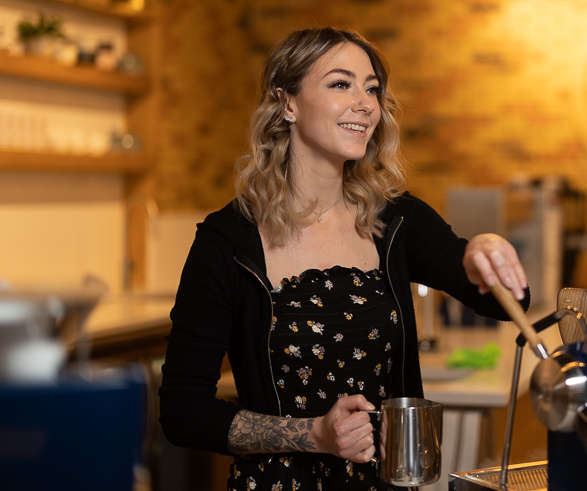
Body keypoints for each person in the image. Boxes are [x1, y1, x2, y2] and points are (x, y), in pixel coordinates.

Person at [158, 27, 530, 491]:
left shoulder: (396, 220)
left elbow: (503, 302)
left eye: (371, 88)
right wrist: (311, 434)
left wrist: (485, 250)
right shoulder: (227, 241)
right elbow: (182, 411)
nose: (365, 103)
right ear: (287, 103)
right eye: (341, 84)